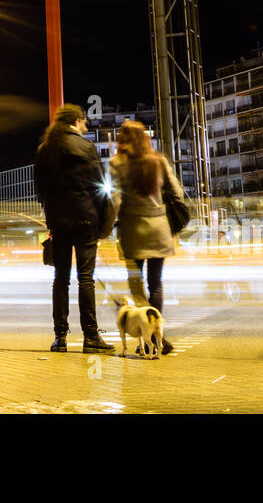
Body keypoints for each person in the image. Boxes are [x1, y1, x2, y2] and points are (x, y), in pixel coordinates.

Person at [35, 103, 114, 354]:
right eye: (84, 122)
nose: (86, 126)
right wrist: (103, 223)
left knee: (61, 279)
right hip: (85, 219)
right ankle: (91, 336)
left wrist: (51, 217)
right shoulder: (86, 147)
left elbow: (40, 191)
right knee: (86, 279)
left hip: (58, 222)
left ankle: (60, 337)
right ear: (77, 121)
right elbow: (99, 187)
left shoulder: (45, 149)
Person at [109, 119, 183, 356]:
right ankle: (156, 333)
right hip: (159, 229)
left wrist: (105, 227)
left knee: (136, 283)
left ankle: (147, 337)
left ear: (122, 140)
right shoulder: (158, 161)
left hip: (132, 230)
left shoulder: (116, 163)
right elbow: (178, 193)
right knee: (156, 283)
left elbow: (115, 201)